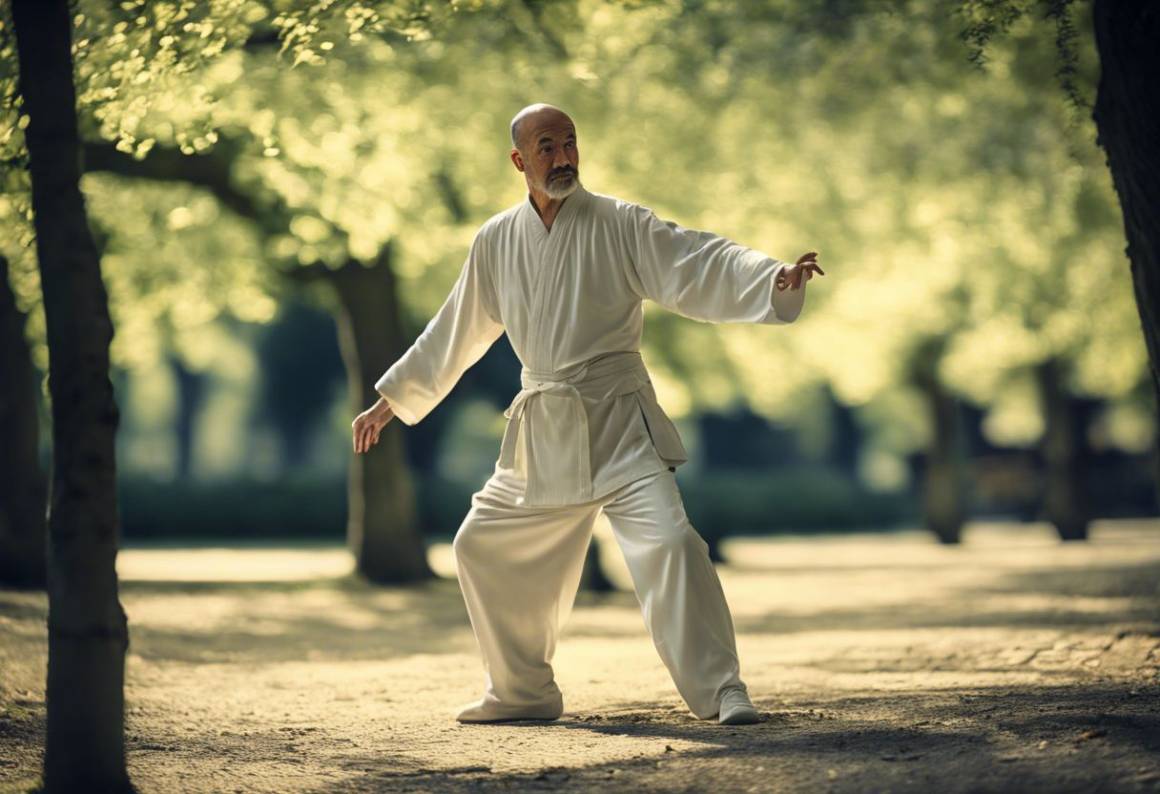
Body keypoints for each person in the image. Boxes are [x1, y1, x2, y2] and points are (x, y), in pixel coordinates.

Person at [352, 103, 824, 726]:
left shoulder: (620, 223)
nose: (564, 156)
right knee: (479, 546)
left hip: (619, 421)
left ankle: (721, 690)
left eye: (571, 142)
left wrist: (772, 280)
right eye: (547, 146)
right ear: (520, 160)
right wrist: (393, 401)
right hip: (543, 426)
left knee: (672, 542)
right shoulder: (496, 239)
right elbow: (456, 328)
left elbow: (695, 258)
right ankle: (522, 691)